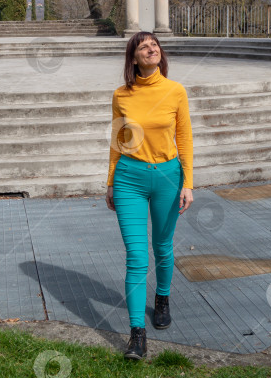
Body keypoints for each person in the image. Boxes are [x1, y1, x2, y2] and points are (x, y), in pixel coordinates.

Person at [105, 31, 194, 361]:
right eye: (143, 46)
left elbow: (185, 139)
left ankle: (162, 298)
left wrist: (189, 184)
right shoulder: (121, 95)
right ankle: (136, 334)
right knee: (136, 256)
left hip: (168, 179)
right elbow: (118, 139)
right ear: (133, 58)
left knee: (162, 246)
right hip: (129, 178)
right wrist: (111, 181)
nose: (151, 48)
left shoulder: (175, 91)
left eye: (154, 44)